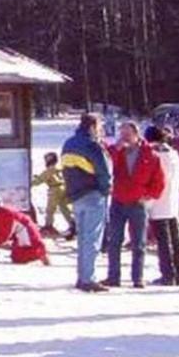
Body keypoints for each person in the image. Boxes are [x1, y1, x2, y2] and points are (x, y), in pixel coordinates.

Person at [103, 121, 164, 288]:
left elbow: (159, 180)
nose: (125, 137)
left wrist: (150, 195)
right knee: (114, 240)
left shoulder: (150, 155)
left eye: (128, 134)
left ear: (137, 135)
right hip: (118, 201)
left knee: (139, 243)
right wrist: (116, 148)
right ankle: (113, 277)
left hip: (138, 203)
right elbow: (105, 159)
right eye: (122, 134)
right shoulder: (116, 152)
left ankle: (138, 278)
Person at [61, 113, 113, 292]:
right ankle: (88, 278)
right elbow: (104, 170)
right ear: (92, 127)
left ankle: (82, 276)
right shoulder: (92, 145)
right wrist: (106, 190)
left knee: (83, 238)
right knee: (92, 239)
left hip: (76, 196)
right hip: (93, 194)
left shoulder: (68, 143)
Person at [144, 125, 179, 286]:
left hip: (158, 201)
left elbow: (155, 180)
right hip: (172, 201)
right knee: (175, 239)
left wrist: (147, 201)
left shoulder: (156, 156)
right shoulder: (174, 154)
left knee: (163, 241)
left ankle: (167, 274)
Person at [0, 193, 49, 264]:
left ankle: (39, 254)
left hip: (28, 236)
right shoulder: (4, 211)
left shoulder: (4, 214)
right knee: (16, 253)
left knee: (18, 257)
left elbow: (4, 234)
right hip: (25, 233)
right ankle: (39, 253)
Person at [32, 151, 75, 238]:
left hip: (54, 189)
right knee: (64, 208)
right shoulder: (60, 167)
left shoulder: (49, 170)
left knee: (50, 209)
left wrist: (29, 183)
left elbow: (40, 180)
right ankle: (73, 223)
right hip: (64, 187)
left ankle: (49, 226)